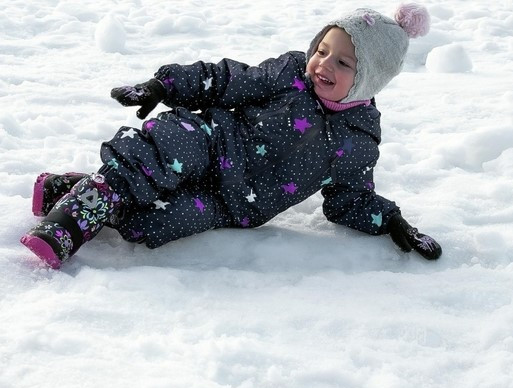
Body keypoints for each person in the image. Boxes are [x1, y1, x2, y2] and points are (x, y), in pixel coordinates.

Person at [21, 3, 442, 269]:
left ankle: (78, 189)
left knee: (157, 221)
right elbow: (225, 80)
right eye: (321, 50)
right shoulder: (290, 74)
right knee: (162, 151)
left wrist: (391, 220)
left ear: (370, 78)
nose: (323, 64)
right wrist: (164, 86)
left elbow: (351, 197)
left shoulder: (359, 138)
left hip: (234, 204)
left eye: (343, 63)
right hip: (211, 141)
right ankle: (69, 222)